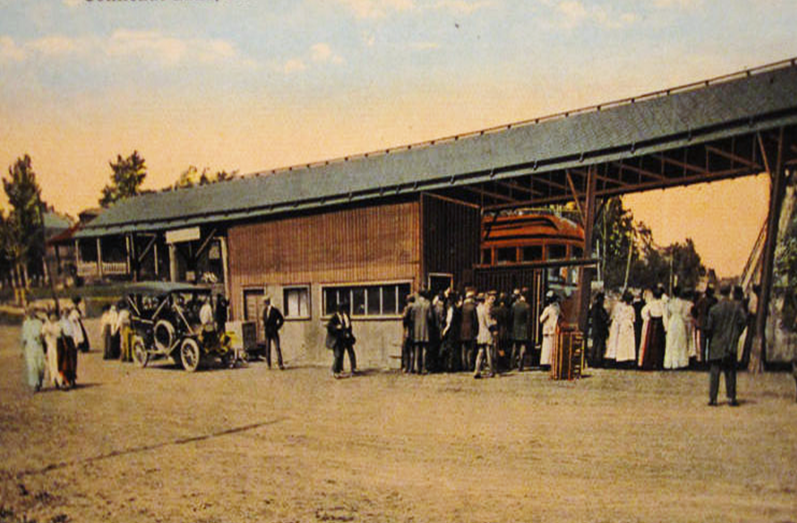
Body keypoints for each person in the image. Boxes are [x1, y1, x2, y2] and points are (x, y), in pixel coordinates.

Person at [706, 284, 746, 406]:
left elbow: (709, 328)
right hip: (730, 342)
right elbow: (743, 321)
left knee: (715, 372)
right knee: (730, 371)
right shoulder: (736, 307)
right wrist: (736, 334)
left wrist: (712, 338)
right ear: (730, 292)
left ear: (719, 292)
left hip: (716, 343)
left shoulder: (714, 309)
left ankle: (713, 398)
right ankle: (731, 397)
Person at [638, 287, 667, 371]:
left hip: (653, 322)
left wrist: (647, 318)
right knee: (659, 344)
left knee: (652, 343)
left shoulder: (651, 303)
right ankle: (658, 362)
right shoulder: (662, 304)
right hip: (659, 323)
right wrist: (666, 327)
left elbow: (643, 312)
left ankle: (651, 362)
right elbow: (665, 315)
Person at [606, 291, 636, 368]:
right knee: (625, 343)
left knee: (622, 343)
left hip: (623, 325)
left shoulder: (621, 307)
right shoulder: (629, 308)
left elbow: (617, 316)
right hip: (627, 325)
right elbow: (633, 318)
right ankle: (625, 358)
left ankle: (621, 358)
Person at [327, 301, 356, 378]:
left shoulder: (346, 316)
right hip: (338, 338)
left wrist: (349, 333)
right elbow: (329, 326)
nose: (343, 311)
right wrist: (336, 327)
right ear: (338, 310)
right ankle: (335, 370)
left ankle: (353, 368)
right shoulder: (335, 317)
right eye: (341, 309)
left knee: (351, 352)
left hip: (346, 337)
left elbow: (349, 326)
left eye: (344, 309)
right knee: (338, 354)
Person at [664, 286, 690, 370]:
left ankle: (671, 362)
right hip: (679, 321)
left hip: (672, 321)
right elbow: (684, 313)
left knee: (671, 341)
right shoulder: (682, 303)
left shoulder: (670, 302)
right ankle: (680, 362)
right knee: (680, 341)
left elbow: (667, 313)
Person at [21, 306, 46, 392]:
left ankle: (40, 380)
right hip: (30, 347)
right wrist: (22, 350)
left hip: (38, 346)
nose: (31, 314)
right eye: (29, 312)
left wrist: (41, 338)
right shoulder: (25, 324)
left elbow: (43, 333)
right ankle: (35, 384)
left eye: (32, 312)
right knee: (32, 366)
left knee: (40, 366)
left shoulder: (39, 322)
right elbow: (24, 337)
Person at [411, 289, 434, 374]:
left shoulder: (415, 305)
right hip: (425, 329)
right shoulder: (427, 304)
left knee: (417, 349)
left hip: (417, 329)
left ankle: (417, 367)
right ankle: (424, 367)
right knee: (424, 350)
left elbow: (412, 317)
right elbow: (430, 317)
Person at [473, 293, 496, 378]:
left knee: (480, 352)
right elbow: (488, 322)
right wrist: (494, 322)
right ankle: (491, 370)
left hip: (480, 332)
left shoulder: (477, 309)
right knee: (489, 352)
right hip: (486, 332)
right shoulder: (485, 309)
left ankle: (477, 370)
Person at [695, 285, 717, 362]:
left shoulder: (702, 300)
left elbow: (694, 308)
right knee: (711, 343)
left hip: (702, 323)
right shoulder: (714, 301)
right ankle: (710, 359)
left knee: (702, 345)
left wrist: (697, 317)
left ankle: (703, 360)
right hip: (712, 323)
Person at [42, 310, 64, 389]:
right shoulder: (46, 325)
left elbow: (59, 334)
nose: (53, 317)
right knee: (51, 364)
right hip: (50, 347)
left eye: (54, 315)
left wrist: (52, 332)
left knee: (58, 363)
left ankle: (60, 381)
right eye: (51, 316)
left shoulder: (58, 324)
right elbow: (43, 334)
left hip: (58, 346)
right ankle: (54, 380)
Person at [262, 295, 285, 370]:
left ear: (268, 302)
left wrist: (277, 327)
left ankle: (280, 364)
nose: (265, 303)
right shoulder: (264, 311)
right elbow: (264, 320)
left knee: (277, 348)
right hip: (267, 333)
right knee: (268, 349)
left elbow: (281, 319)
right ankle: (268, 365)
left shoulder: (275, 310)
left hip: (274, 332)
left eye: (265, 302)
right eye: (264, 302)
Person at [539, 291, 561, 369]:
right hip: (554, 330)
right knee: (552, 348)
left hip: (547, 331)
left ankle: (545, 363)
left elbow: (541, 319)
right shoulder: (557, 308)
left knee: (546, 348)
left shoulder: (548, 309)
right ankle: (552, 362)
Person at [441, 291, 461, 372]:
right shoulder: (455, 308)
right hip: (454, 331)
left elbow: (449, 322)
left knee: (450, 349)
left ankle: (449, 366)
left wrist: (445, 331)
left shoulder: (451, 309)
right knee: (452, 349)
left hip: (450, 331)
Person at [511, 289, 531, 371]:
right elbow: (528, 319)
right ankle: (521, 364)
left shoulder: (514, 305)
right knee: (523, 346)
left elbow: (511, 316)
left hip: (515, 327)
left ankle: (512, 363)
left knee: (515, 346)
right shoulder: (527, 306)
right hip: (524, 328)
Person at [588, 292, 609, 369]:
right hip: (599, 330)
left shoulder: (595, 308)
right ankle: (597, 361)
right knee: (598, 346)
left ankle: (594, 360)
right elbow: (604, 317)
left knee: (596, 346)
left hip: (597, 329)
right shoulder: (598, 308)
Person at [459, 290, 479, 371]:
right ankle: (470, 364)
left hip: (462, 330)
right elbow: (475, 320)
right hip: (470, 330)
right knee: (470, 349)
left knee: (464, 348)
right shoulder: (473, 307)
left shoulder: (462, 307)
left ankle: (464, 365)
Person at [59, 308, 78, 388]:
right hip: (63, 342)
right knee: (64, 362)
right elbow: (60, 332)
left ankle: (72, 379)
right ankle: (64, 380)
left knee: (72, 361)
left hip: (71, 341)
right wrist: (64, 343)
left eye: (67, 313)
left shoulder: (71, 322)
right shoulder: (60, 323)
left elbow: (75, 332)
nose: (66, 314)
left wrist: (76, 342)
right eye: (64, 313)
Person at [401, 295, 415, 373]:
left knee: (406, 349)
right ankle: (412, 367)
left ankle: (407, 367)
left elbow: (404, 318)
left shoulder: (407, 308)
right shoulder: (415, 307)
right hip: (414, 331)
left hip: (408, 330)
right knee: (412, 350)